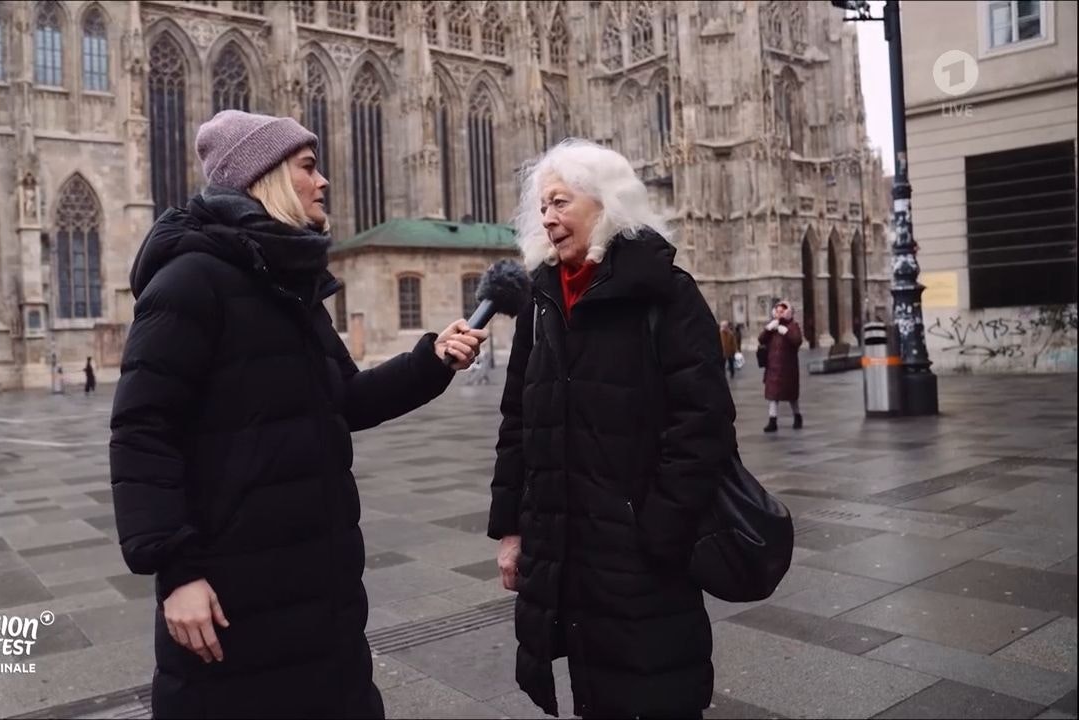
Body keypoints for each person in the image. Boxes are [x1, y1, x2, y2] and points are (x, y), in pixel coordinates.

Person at [109, 109, 487, 719]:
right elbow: (142, 430)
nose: (324, 182)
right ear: (267, 178)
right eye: (308, 167)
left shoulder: (290, 285)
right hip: (234, 596)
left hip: (318, 589)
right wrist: (176, 574)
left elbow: (345, 400)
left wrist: (432, 360)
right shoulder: (190, 280)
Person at [487, 139, 737, 720]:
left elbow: (704, 425)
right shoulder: (542, 300)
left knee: (656, 695)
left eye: (559, 202)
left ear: (605, 204)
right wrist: (511, 531)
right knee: (595, 697)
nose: (547, 217)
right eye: (541, 206)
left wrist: (657, 529)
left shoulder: (665, 294)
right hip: (566, 551)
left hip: (642, 555)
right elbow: (517, 423)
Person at [758, 300, 804, 432]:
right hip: (773, 367)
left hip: (788, 368)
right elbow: (761, 339)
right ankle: (772, 421)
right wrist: (768, 329)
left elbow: (797, 341)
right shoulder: (773, 327)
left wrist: (786, 332)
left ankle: (797, 416)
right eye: (777, 311)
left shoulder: (793, 325)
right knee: (773, 395)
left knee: (791, 396)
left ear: (787, 312)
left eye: (781, 311)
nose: (779, 313)